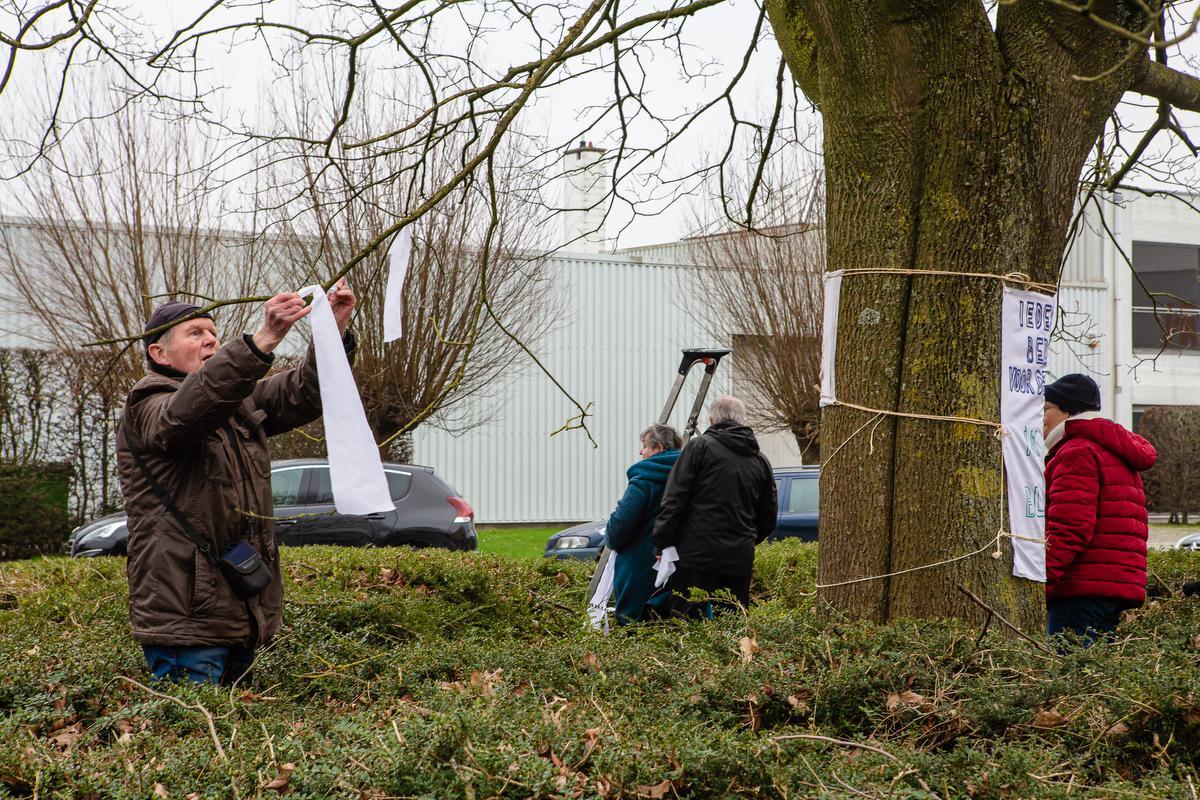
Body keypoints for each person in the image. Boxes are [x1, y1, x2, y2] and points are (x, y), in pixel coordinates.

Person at [117, 283, 356, 684]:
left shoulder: (234, 401)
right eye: (194, 333)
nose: (210, 339)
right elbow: (186, 413)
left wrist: (331, 333)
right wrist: (261, 340)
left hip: (237, 613)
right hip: (186, 622)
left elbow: (304, 392)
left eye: (212, 332)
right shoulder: (148, 402)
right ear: (159, 353)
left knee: (233, 743)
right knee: (189, 741)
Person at [1043, 373, 1157, 644]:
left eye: (1046, 409)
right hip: (1113, 587)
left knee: (1070, 679)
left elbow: (1070, 528)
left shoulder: (1077, 452)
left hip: (1081, 590)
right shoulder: (1112, 450)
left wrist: (1042, 581)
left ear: (1068, 411)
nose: (1041, 418)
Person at [652, 395, 777, 617]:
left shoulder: (698, 448)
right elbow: (768, 516)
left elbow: (674, 499)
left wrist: (662, 542)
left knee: (687, 623)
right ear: (742, 420)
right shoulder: (759, 460)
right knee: (731, 622)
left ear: (711, 420)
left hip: (694, 555)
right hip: (738, 558)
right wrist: (745, 540)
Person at [603, 424, 683, 624]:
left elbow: (620, 526)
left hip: (639, 570)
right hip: (680, 569)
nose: (641, 451)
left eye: (645, 446)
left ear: (659, 448)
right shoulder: (689, 475)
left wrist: (611, 533)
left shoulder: (645, 478)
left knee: (635, 628)